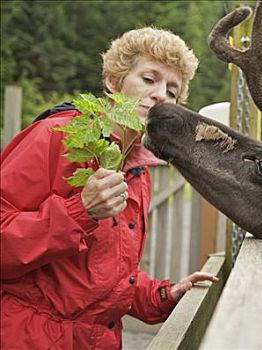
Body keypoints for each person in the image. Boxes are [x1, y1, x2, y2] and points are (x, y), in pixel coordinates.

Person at [0, 27, 218, 349]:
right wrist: (79, 212)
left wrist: (162, 294)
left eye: (172, 91)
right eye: (149, 79)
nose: (160, 95)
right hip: (29, 337)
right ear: (113, 82)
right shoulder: (55, 136)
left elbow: (104, 278)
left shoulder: (137, 168)